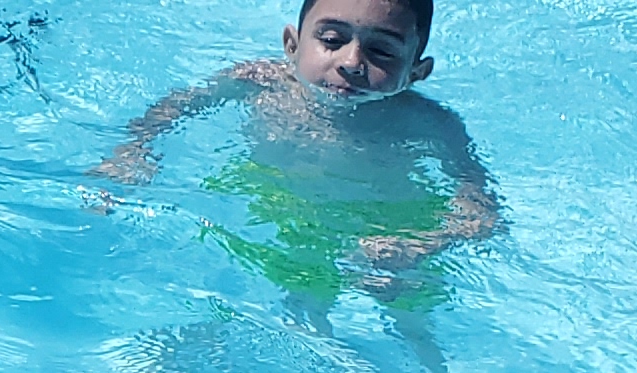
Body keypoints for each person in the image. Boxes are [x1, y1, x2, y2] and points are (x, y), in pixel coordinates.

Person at [95, 0, 499, 300]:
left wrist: (417, 244)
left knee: (410, 318)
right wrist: (133, 151)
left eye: (382, 52)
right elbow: (174, 109)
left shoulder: (429, 124)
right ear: (292, 44)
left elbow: (481, 212)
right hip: (273, 201)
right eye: (331, 40)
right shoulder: (256, 82)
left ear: (416, 72)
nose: (352, 62)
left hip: (385, 224)